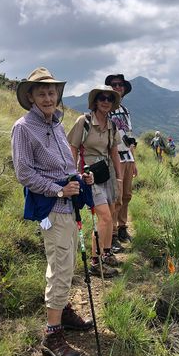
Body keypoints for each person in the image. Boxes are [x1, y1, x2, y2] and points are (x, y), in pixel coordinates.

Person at [11, 67, 94, 356]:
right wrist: (58, 191)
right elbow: (24, 173)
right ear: (30, 96)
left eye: (52, 92)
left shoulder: (57, 124)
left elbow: (64, 165)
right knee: (59, 267)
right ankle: (52, 333)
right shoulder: (23, 128)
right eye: (42, 92)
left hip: (69, 206)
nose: (48, 97)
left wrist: (79, 178)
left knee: (68, 261)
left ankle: (63, 310)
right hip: (52, 208)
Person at [67, 85, 122, 278]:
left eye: (109, 98)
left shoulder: (112, 126)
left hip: (106, 175)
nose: (106, 101)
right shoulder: (84, 121)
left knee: (111, 214)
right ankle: (95, 261)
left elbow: (114, 152)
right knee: (105, 218)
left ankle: (106, 254)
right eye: (102, 98)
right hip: (88, 176)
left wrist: (119, 178)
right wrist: (74, 174)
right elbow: (73, 148)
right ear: (95, 101)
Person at [105, 74, 137, 246]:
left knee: (126, 195)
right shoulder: (105, 109)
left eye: (120, 85)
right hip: (114, 158)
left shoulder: (125, 111)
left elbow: (130, 137)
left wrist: (134, 162)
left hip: (128, 158)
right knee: (115, 197)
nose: (117, 87)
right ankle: (113, 234)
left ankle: (123, 227)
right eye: (114, 84)